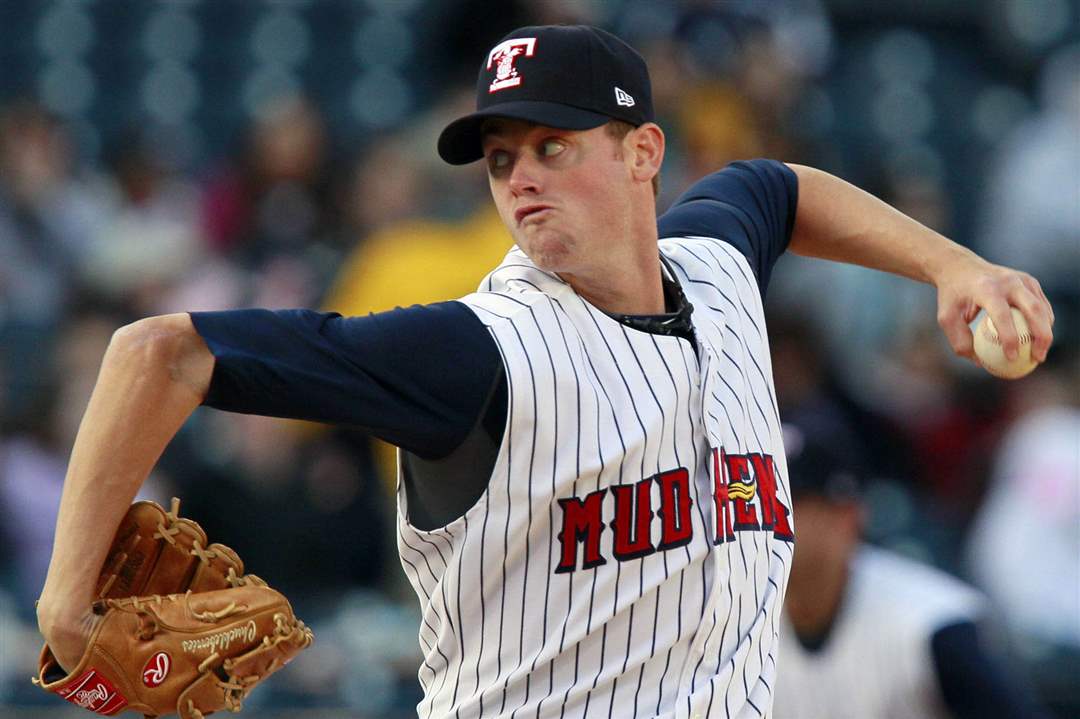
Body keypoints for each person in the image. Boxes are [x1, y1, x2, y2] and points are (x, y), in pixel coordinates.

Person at [36, 25, 1054, 718]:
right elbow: (154, 351)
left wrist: (953, 264)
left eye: (553, 145)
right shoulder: (475, 351)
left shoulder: (719, 262)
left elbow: (778, 189)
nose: (519, 176)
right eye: (499, 156)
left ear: (644, 151)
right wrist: (66, 604)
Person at [773, 420, 1049, 719]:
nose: (767, 520)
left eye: (790, 503)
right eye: (762, 502)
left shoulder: (930, 623)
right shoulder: (731, 613)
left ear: (847, 517)